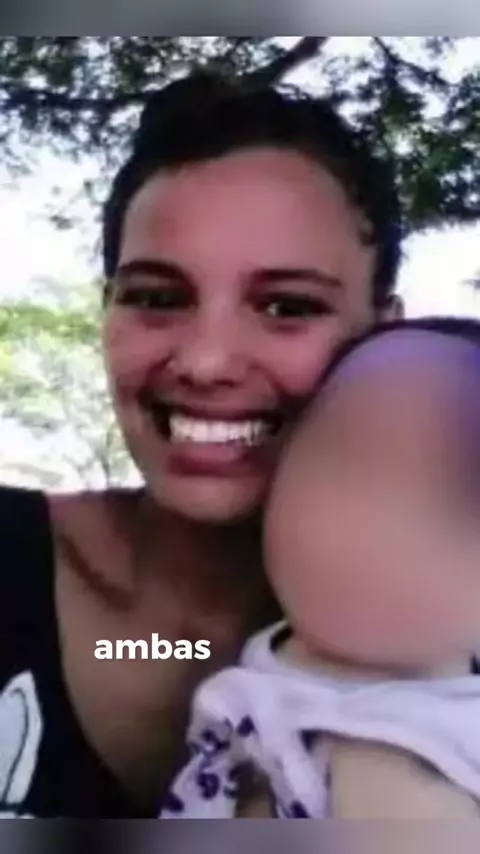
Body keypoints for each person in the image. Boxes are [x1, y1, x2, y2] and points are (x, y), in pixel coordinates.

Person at [0, 72, 401, 817]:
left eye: (287, 306)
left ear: (385, 334)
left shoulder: (448, 636)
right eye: (157, 297)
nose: (207, 362)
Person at [161, 317, 480, 819]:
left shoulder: (410, 756)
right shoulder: (278, 659)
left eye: (457, 505)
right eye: (352, 458)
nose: (382, 525)